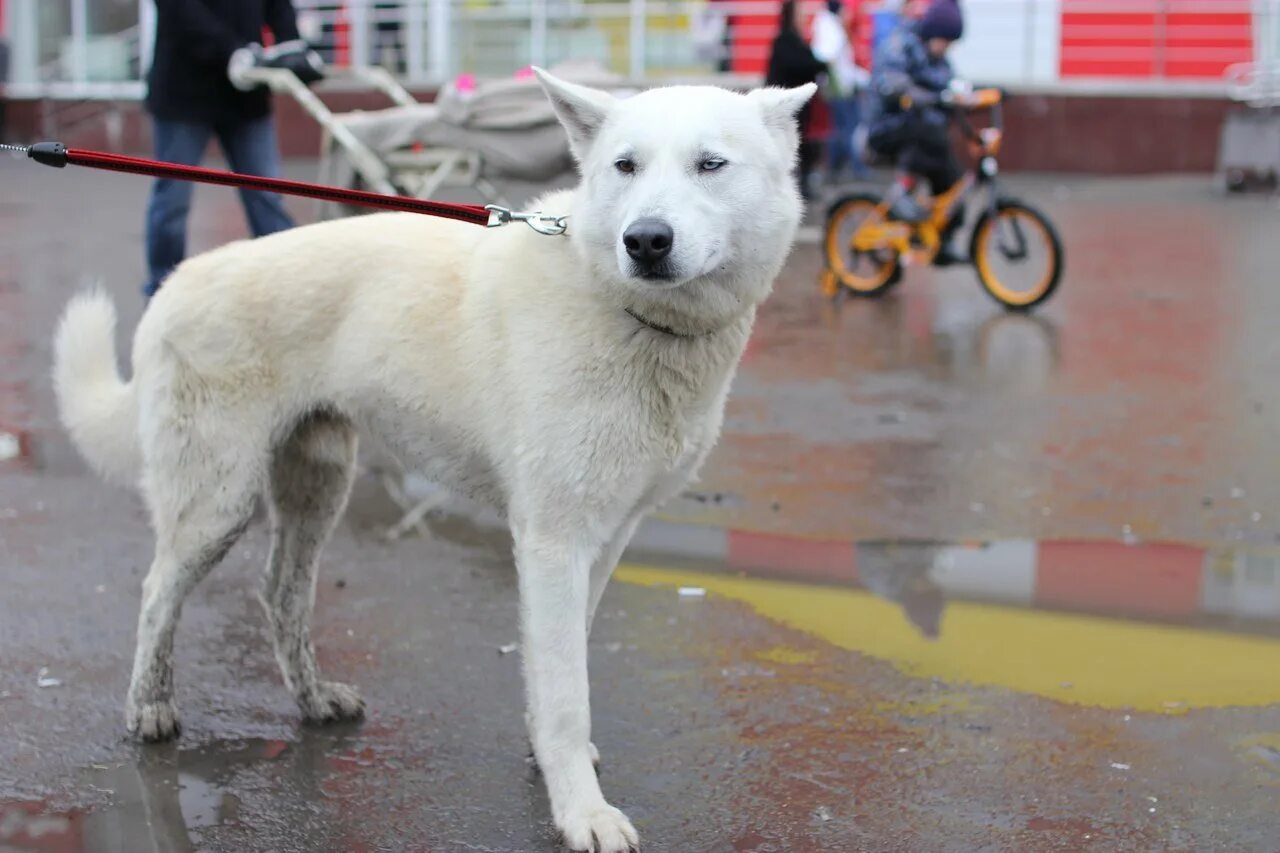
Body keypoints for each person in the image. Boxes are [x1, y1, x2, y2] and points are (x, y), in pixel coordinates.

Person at [143, 0, 320, 299]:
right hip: (184, 93)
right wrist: (232, 50)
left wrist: (291, 46)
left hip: (245, 94)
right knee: (173, 201)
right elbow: (181, 11)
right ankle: (161, 289)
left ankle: (290, 283)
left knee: (267, 196)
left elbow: (278, 6)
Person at [865, 0, 964, 229]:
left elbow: (948, 85)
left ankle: (944, 240)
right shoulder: (899, 45)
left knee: (951, 178)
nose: (947, 47)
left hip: (926, 132)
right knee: (922, 131)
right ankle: (901, 195)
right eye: (945, 40)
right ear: (933, 32)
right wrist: (932, 98)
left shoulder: (939, 60)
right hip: (887, 128)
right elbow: (891, 84)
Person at [765, 0, 828, 199]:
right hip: (787, 107)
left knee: (805, 146)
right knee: (790, 147)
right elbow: (800, 64)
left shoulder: (796, 40)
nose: (803, 17)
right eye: (799, 13)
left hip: (800, 108)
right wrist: (821, 65)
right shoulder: (784, 40)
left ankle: (802, 186)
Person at [811, 0, 871, 183]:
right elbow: (828, 57)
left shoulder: (829, 25)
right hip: (837, 88)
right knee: (846, 128)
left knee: (841, 128)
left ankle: (836, 168)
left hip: (841, 86)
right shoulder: (829, 27)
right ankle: (854, 168)